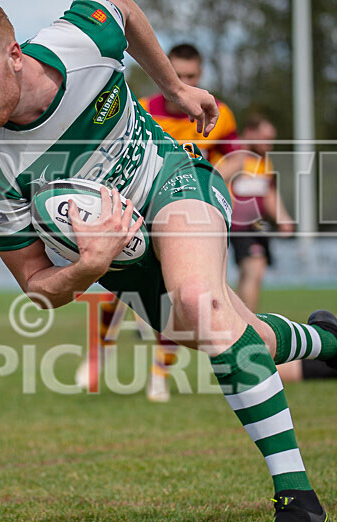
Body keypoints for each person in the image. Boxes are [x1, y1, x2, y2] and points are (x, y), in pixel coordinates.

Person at [0, 1, 337, 522]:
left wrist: (173, 88)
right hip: (119, 262)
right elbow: (35, 284)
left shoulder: (77, 43)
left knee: (201, 304)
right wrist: (87, 267)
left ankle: (299, 501)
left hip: (171, 179)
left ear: (13, 54)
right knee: (243, 338)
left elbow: (121, 8)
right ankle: (331, 342)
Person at [76, 43, 245, 403]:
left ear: (200, 76)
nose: (185, 82)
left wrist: (207, 178)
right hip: (140, 207)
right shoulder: (142, 108)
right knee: (114, 288)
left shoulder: (219, 113)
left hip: (190, 214)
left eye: (191, 77)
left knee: (177, 297)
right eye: (179, 75)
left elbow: (236, 158)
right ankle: (99, 352)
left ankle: (159, 375)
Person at [227, 114, 295, 312]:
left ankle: (239, 321)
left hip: (257, 225)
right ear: (250, 133)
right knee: (254, 270)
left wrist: (283, 218)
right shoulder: (233, 156)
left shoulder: (264, 160)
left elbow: (268, 192)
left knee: (252, 273)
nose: (269, 145)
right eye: (265, 139)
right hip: (239, 225)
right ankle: (251, 324)